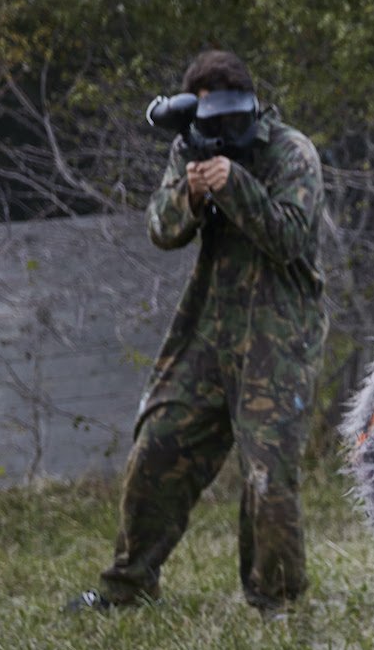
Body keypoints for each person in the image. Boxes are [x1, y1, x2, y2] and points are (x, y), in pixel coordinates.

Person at [68, 49, 326, 617]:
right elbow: (161, 229)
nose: (220, 129)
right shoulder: (190, 149)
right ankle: (128, 586)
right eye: (208, 117)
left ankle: (277, 602)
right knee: (158, 444)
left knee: (268, 473)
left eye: (227, 116)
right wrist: (191, 194)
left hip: (279, 337)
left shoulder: (291, 152)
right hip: (208, 329)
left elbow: (289, 238)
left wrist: (236, 185)